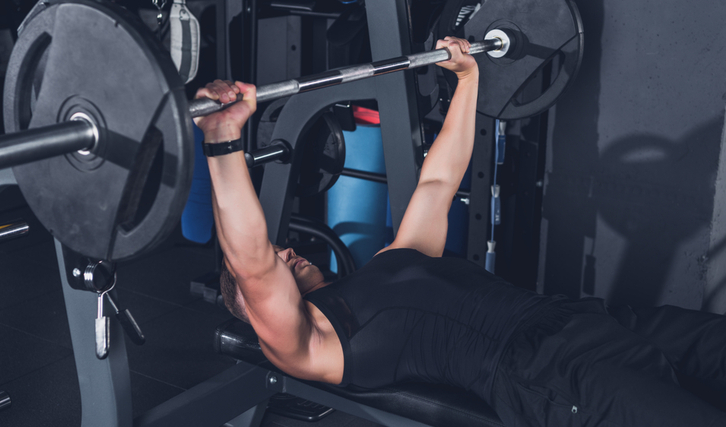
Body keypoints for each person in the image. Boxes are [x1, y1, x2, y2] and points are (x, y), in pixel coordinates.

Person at [195, 37, 726, 427]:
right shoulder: (309, 340)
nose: (287, 252)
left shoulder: (394, 258)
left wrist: (468, 81)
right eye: (275, 263)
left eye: (286, 249)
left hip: (588, 319)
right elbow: (252, 261)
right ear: (254, 311)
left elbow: (439, 183)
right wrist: (222, 140)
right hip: (550, 376)